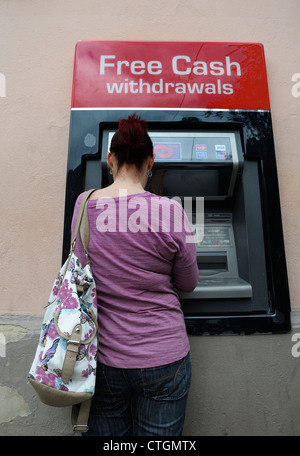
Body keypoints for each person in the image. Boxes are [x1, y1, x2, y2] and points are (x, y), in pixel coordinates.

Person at [71, 114, 199, 436]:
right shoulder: (171, 212)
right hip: (164, 357)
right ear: (151, 161)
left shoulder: (84, 206)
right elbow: (188, 283)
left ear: (110, 159)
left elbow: (80, 275)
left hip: (104, 360)